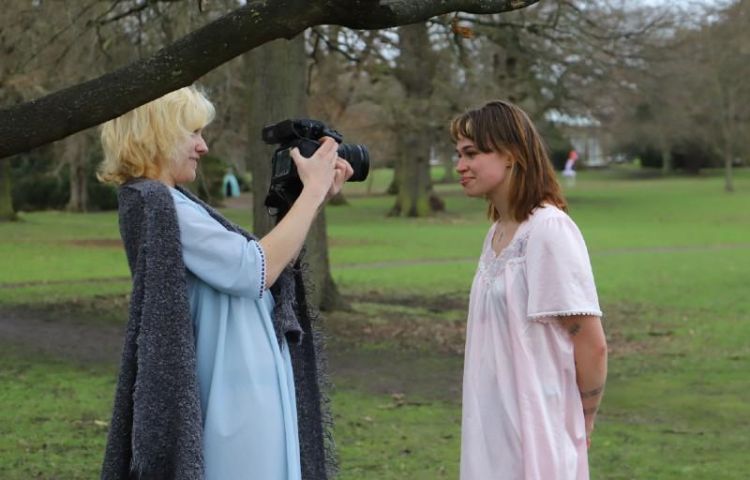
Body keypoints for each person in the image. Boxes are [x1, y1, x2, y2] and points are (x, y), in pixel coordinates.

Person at [97, 85, 352, 480]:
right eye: (193, 133)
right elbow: (255, 270)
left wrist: (312, 199)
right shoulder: (159, 204)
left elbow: (261, 264)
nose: (203, 147)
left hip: (239, 380)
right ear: (158, 133)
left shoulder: (171, 204)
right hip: (231, 394)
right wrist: (313, 191)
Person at [452, 100, 608, 480]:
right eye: (458, 154)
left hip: (537, 430)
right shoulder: (497, 234)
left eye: (472, 153)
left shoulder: (548, 230)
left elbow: (591, 341)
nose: (460, 166)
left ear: (510, 155)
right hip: (491, 429)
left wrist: (583, 420)